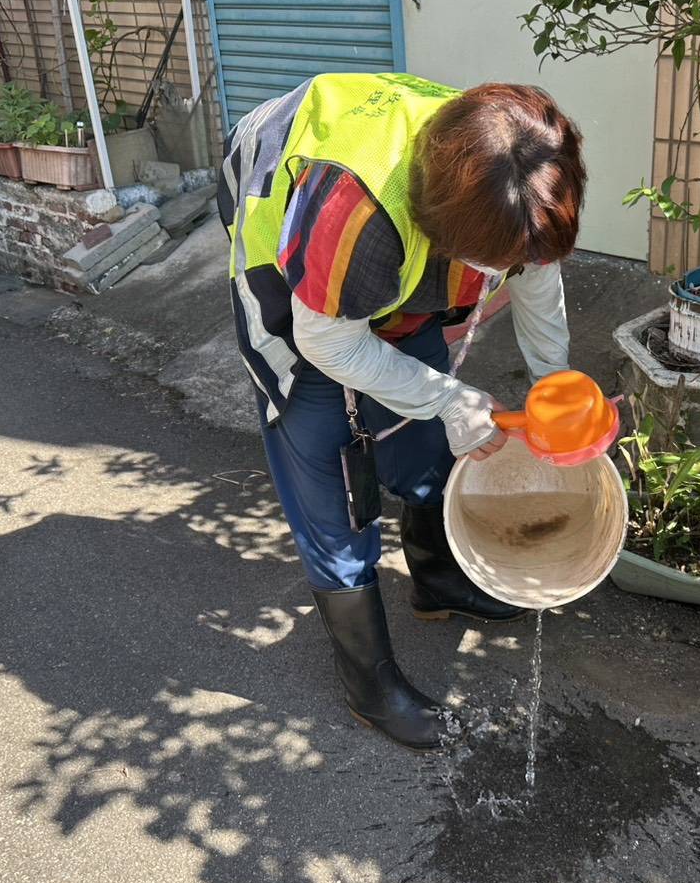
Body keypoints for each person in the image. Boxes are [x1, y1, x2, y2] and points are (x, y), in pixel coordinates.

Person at [218, 72, 585, 751]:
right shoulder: (353, 210)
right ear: (445, 226)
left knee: (425, 424)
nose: (509, 272)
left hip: (404, 234)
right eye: (494, 261)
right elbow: (323, 338)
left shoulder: (514, 171)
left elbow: (534, 272)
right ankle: (369, 680)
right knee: (326, 450)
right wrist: (445, 397)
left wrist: (553, 386)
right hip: (284, 216)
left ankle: (437, 580)